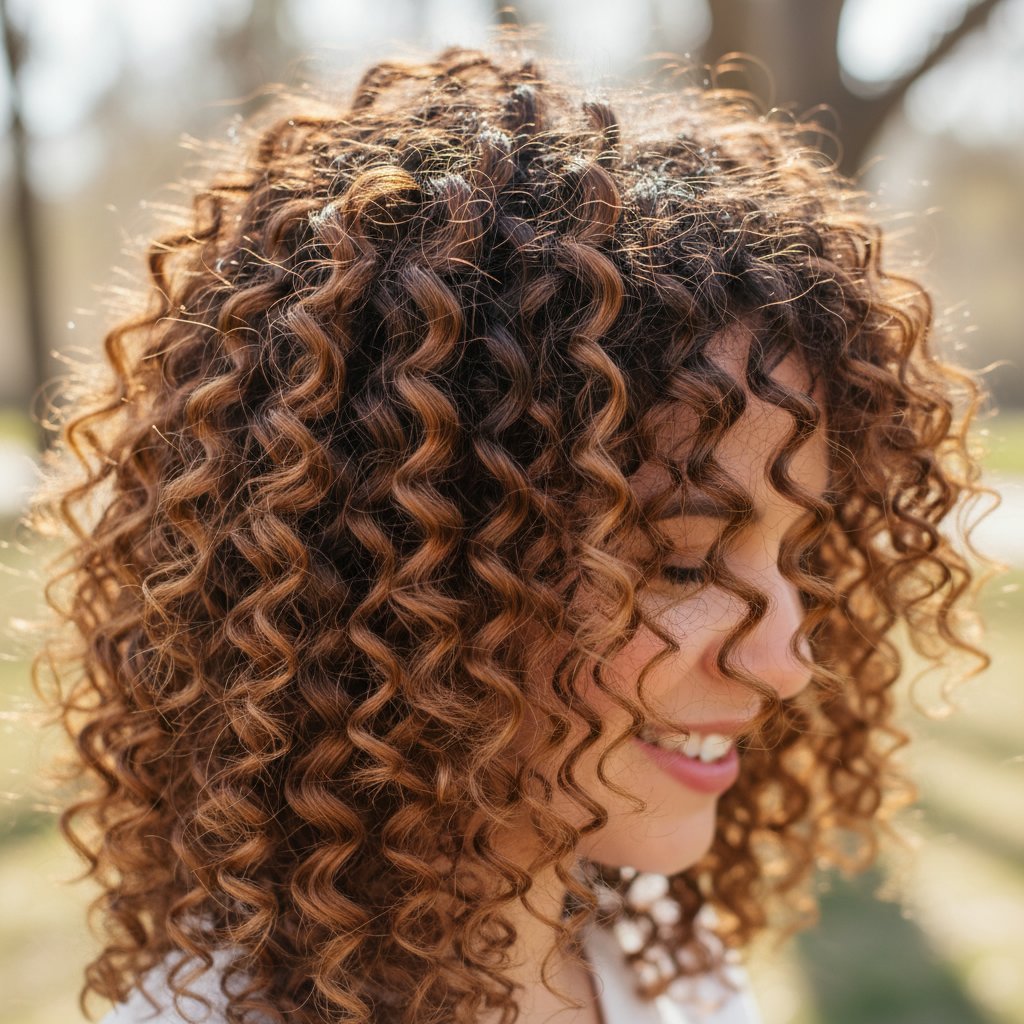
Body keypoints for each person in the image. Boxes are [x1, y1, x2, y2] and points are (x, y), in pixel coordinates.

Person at [27, 34, 990, 1024]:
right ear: (409, 577)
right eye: (690, 560)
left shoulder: (674, 973)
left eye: (798, 556)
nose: (789, 658)